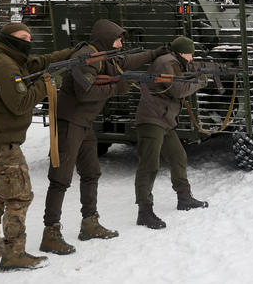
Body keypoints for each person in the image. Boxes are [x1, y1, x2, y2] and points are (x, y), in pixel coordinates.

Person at [40, 19, 169, 255]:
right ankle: (50, 233)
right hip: (70, 123)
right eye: (118, 39)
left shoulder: (103, 55)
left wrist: (155, 53)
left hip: (84, 124)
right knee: (60, 179)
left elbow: (126, 61)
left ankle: (89, 223)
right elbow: (85, 91)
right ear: (106, 39)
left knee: (91, 172)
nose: (121, 44)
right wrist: (117, 88)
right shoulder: (85, 59)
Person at [0, 23, 75, 271]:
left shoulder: (6, 60)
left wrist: (68, 54)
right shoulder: (6, 67)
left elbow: (41, 61)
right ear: (7, 38)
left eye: (29, 37)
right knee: (19, 197)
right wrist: (48, 82)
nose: (27, 41)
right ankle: (14, 254)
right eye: (21, 37)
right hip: (1, 146)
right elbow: (20, 103)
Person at [134, 36, 224, 229]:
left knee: (178, 156)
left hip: (164, 120)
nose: (191, 58)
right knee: (149, 165)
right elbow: (178, 89)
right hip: (152, 120)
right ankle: (144, 211)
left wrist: (218, 65)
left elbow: (196, 66)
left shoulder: (176, 61)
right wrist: (200, 82)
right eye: (190, 54)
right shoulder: (167, 63)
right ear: (182, 53)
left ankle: (184, 198)